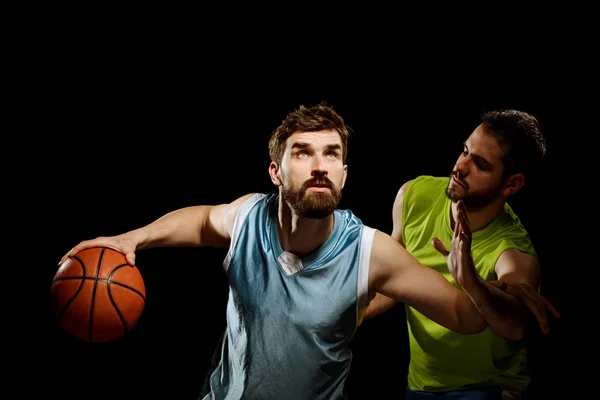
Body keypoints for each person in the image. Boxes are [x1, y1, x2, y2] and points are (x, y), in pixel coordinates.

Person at [58, 103, 555, 400]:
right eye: (303, 152)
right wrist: (131, 238)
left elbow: (469, 318)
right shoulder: (248, 218)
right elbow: (199, 220)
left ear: (343, 174)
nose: (320, 164)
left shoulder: (368, 251)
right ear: (276, 172)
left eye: (332, 154)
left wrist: (466, 277)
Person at [363, 108, 561, 399]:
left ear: (512, 184)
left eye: (480, 164)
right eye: (465, 151)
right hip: (420, 384)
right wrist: (346, 316)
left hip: (485, 388)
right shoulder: (414, 196)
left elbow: (516, 324)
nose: (460, 167)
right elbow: (392, 279)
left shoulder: (514, 252)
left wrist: (470, 280)